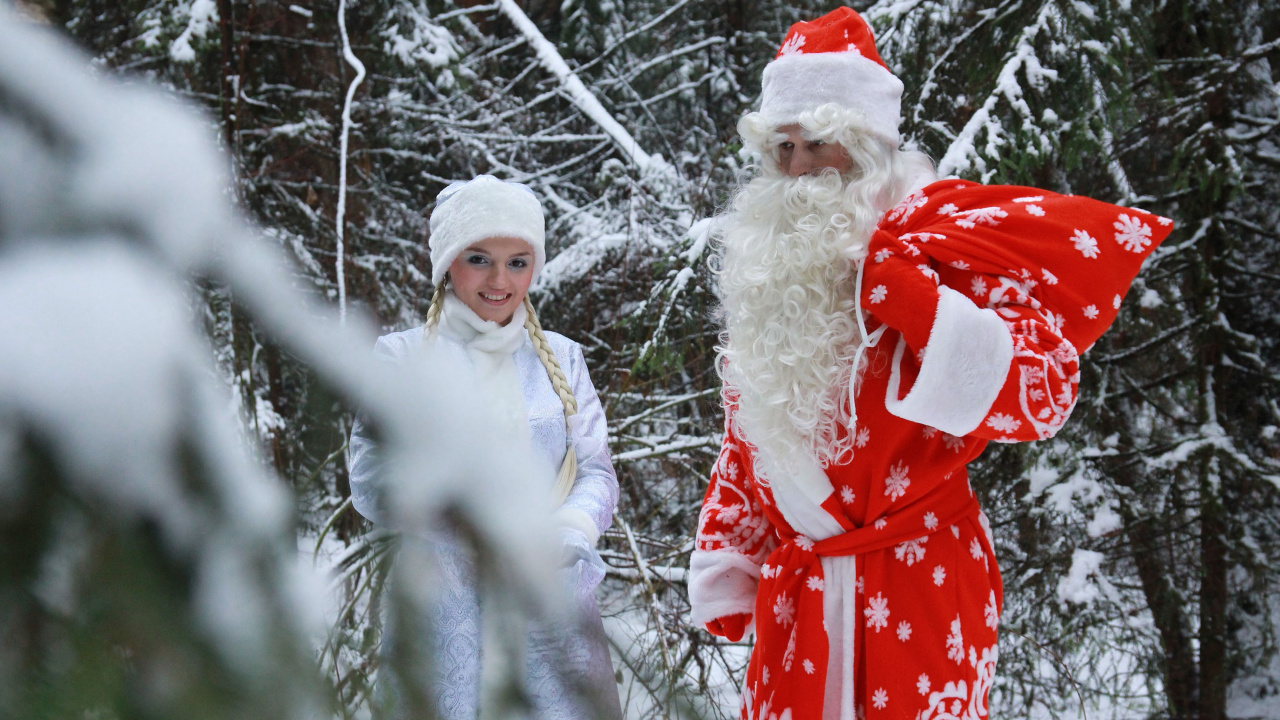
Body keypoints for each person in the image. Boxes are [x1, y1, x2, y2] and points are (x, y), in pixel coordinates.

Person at [688, 8, 1173, 720]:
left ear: (866, 146)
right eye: (782, 148)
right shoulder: (772, 273)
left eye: (816, 143)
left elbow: (1041, 398)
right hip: (800, 602)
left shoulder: (939, 248)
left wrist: (917, 303)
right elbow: (750, 432)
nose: (796, 170)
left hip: (920, 590)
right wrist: (730, 554)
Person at [348, 175, 623, 720]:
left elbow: (597, 471)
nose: (500, 279)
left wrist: (569, 531)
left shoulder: (562, 359)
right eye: (479, 258)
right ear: (448, 263)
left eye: (518, 261)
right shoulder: (400, 358)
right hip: (441, 605)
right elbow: (370, 479)